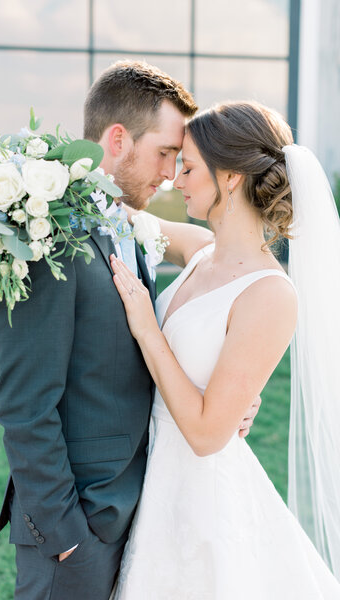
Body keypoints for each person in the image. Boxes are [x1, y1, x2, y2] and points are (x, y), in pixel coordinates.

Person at [0, 62, 260, 600]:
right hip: (77, 531)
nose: (172, 172)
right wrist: (66, 536)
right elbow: (25, 405)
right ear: (118, 139)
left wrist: (231, 387)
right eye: (166, 153)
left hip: (138, 511)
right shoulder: (46, 237)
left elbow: (225, 267)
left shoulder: (125, 222)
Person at [110, 100, 340, 598]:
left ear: (231, 177)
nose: (175, 179)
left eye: (188, 167)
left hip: (201, 505)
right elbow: (118, 215)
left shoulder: (270, 295)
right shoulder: (199, 251)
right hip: (151, 482)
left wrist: (149, 331)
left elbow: (207, 435)